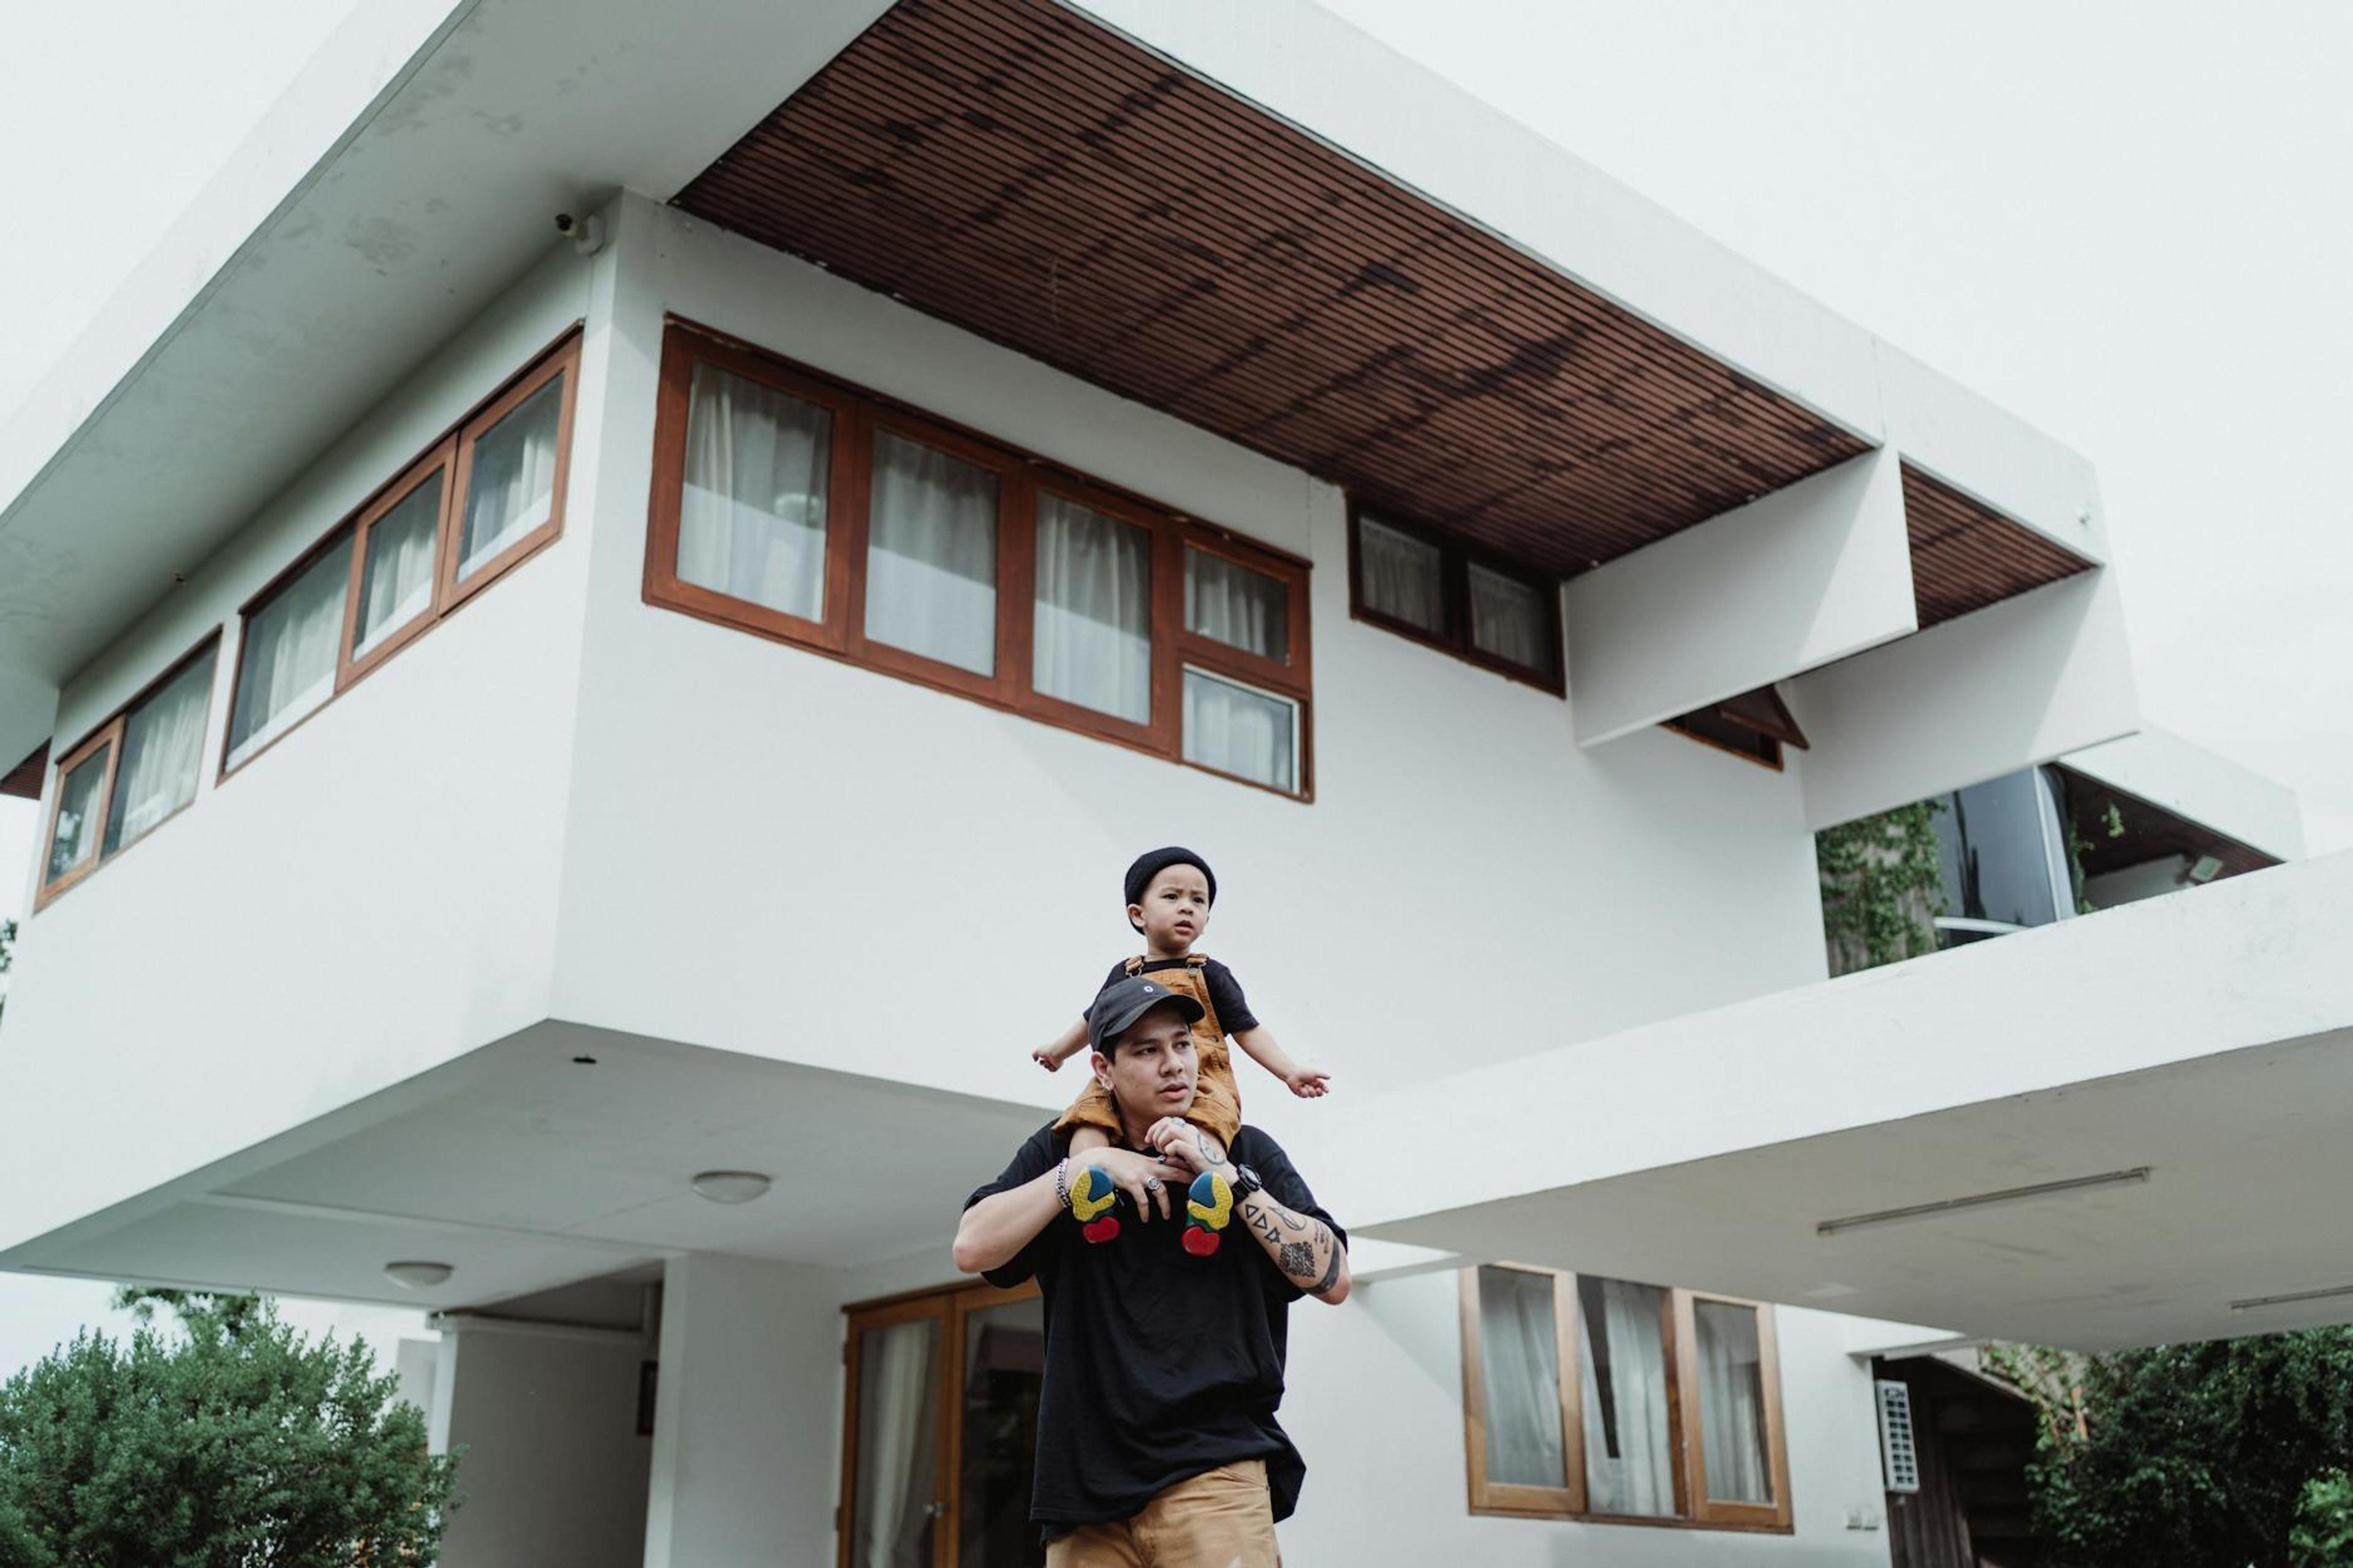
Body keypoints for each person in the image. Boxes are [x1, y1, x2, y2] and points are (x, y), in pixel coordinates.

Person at [957, 974, 1351, 1566]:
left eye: (1183, 1044)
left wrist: (1229, 1181)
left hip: (1215, 1472)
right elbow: (972, 1247)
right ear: (1103, 1068)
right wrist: (1084, 1171)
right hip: (1084, 1487)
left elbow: (1333, 1277)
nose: (1175, 1064)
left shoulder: (1245, 1150)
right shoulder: (1065, 1148)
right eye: (1147, 1050)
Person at [1031, 847, 1328, 1213]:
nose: (1186, 907)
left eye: (1198, 900)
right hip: (1123, 1077)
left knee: (1207, 1128)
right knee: (1086, 1118)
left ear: (1207, 918)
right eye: (1172, 897)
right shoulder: (1125, 974)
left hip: (1202, 1077)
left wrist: (1290, 1071)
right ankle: (1094, 1197)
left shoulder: (1210, 974)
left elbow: (1248, 1030)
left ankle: (1208, 1201)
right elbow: (1092, 1020)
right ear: (1138, 915)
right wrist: (1058, 1052)